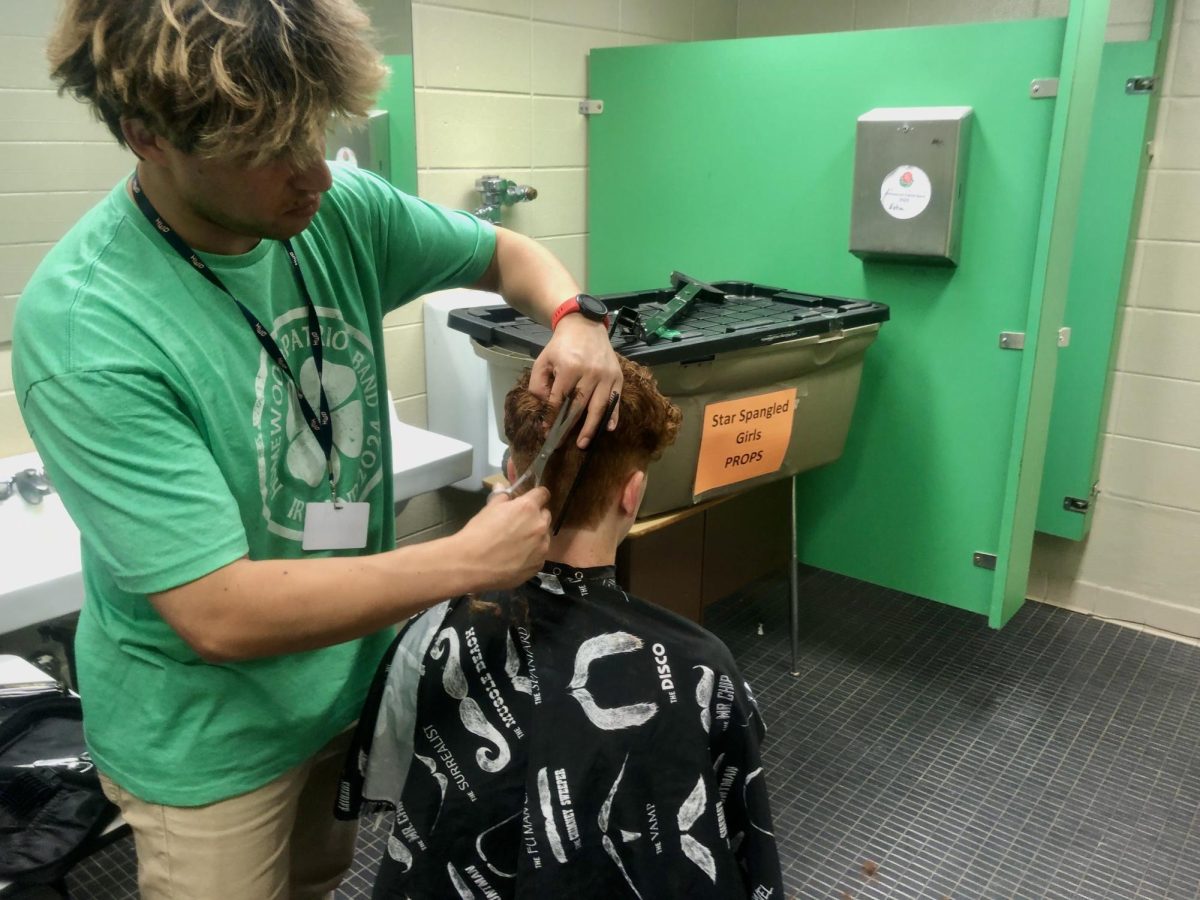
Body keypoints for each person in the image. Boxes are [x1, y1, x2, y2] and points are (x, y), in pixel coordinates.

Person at [10, 1, 621, 898]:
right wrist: (463, 561)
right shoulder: (86, 331)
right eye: (269, 152)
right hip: (207, 735)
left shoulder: (336, 212)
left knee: (315, 882)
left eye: (317, 135)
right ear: (147, 137)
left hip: (339, 679)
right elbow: (219, 613)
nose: (316, 178)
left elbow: (505, 255)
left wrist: (576, 319)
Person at [338, 357, 784, 899]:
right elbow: (742, 841)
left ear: (510, 474)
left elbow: (393, 785)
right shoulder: (702, 668)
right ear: (633, 493)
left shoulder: (430, 633)